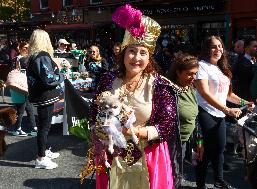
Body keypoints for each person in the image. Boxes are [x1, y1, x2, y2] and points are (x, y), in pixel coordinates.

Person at [87, 4, 182, 189]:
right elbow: (94, 112)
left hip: (148, 156)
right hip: (112, 154)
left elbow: (167, 125)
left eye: (143, 53)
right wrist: (96, 138)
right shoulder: (108, 79)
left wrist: (134, 132)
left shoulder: (160, 85)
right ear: (123, 53)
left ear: (149, 58)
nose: (136, 58)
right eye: (131, 51)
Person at [194, 36, 254, 189]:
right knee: (205, 152)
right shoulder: (201, 66)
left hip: (220, 114)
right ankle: (200, 184)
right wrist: (226, 109)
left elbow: (229, 95)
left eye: (220, 46)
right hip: (205, 113)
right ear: (206, 49)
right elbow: (205, 93)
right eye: (214, 46)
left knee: (220, 149)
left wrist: (245, 103)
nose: (218, 49)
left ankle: (219, 180)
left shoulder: (222, 69)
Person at [27, 29, 64, 170]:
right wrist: (61, 75)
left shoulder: (33, 56)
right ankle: (41, 158)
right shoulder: (41, 56)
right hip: (44, 96)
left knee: (44, 127)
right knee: (44, 127)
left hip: (40, 95)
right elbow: (49, 79)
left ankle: (44, 151)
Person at [167, 54, 203, 182]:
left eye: (195, 74)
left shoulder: (190, 88)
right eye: (189, 74)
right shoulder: (168, 92)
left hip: (185, 143)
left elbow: (195, 118)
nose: (193, 77)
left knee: (177, 176)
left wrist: (199, 142)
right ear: (178, 72)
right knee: (172, 176)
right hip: (170, 145)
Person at [9, 41, 37, 137]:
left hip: (25, 86)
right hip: (19, 87)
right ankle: (17, 129)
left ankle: (33, 127)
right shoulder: (20, 59)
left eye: (28, 48)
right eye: (25, 48)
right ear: (19, 49)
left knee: (29, 108)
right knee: (20, 108)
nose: (27, 49)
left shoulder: (22, 59)